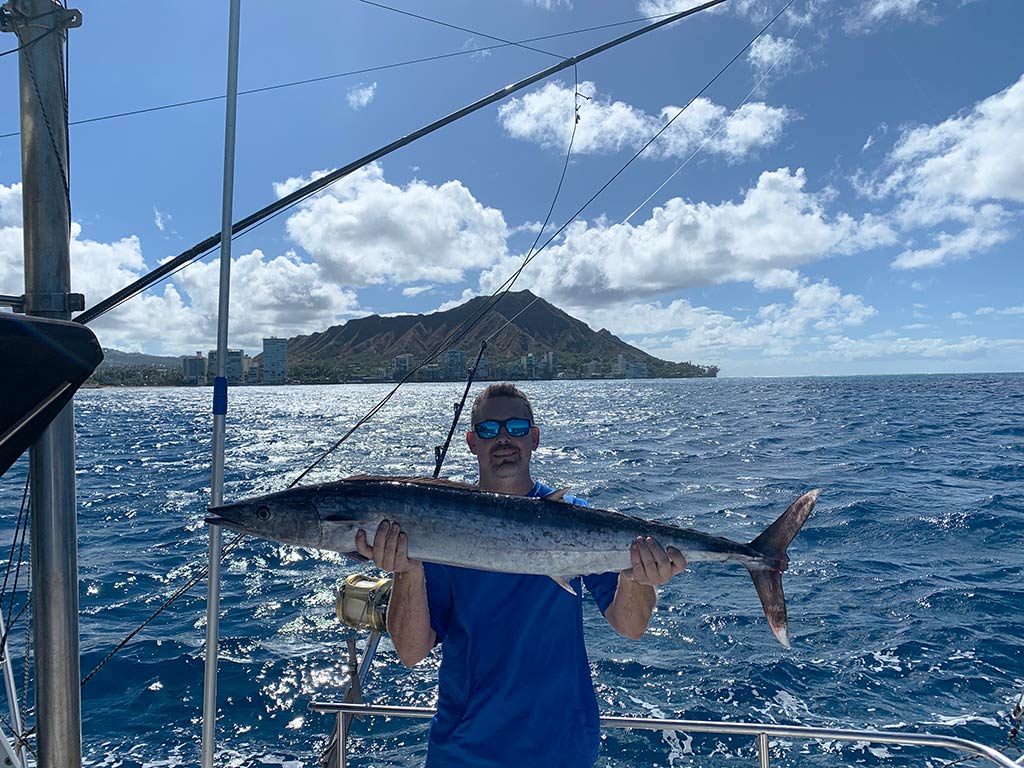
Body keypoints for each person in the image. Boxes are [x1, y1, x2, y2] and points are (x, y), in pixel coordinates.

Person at [355, 382, 686, 767]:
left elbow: (631, 627)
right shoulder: (433, 527)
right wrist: (407, 571)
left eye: (515, 427)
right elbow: (412, 653)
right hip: (464, 752)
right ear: (471, 442)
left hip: (563, 748)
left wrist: (637, 577)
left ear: (535, 437)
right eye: (489, 429)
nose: (504, 439)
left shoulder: (577, 516)